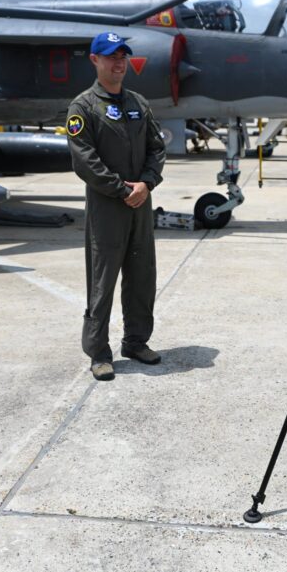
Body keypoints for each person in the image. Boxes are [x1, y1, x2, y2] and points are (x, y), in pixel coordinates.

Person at [65, 31, 166, 381]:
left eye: (123, 55)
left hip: (140, 202)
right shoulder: (83, 107)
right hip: (108, 206)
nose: (119, 62)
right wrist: (121, 188)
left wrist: (147, 183)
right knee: (103, 280)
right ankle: (99, 352)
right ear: (95, 60)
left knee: (142, 276)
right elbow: (85, 160)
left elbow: (157, 147)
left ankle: (136, 342)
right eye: (111, 56)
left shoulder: (138, 102)